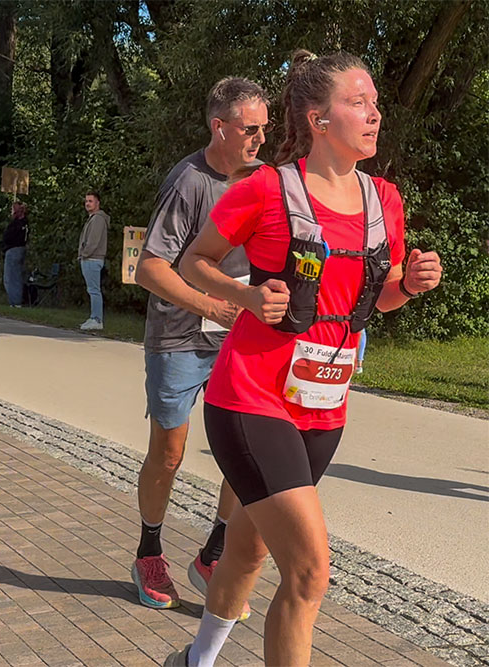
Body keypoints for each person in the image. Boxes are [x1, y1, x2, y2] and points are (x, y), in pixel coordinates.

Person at [165, 50, 442, 667]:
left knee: (249, 549)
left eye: (374, 103)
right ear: (318, 119)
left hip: (323, 403)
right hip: (250, 396)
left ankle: (195, 660)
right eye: (358, 102)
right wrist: (244, 293)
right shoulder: (267, 188)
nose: (374, 114)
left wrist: (412, 284)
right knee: (310, 572)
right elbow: (193, 261)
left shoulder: (384, 200)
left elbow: (383, 295)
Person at [131, 77, 270, 616]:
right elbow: (149, 267)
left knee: (244, 449)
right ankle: (149, 552)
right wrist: (210, 306)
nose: (260, 138)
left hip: (239, 337)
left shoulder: (263, 181)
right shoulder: (188, 182)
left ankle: (213, 553)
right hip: (179, 337)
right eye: (250, 129)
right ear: (220, 127)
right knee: (169, 452)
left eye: (264, 128)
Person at [78, 192, 109, 330]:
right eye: (86, 201)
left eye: (91, 201)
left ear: (97, 203)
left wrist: (84, 254)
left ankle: (96, 319)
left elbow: (93, 242)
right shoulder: (93, 219)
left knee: (94, 290)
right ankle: (94, 318)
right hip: (90, 258)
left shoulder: (97, 219)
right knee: (92, 290)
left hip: (92, 258)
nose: (87, 203)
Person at [2, 201, 29, 307]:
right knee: (16, 276)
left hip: (13, 250)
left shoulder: (17, 224)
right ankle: (16, 300)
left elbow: (8, 236)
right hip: (21, 249)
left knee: (11, 277)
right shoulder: (25, 223)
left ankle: (15, 301)